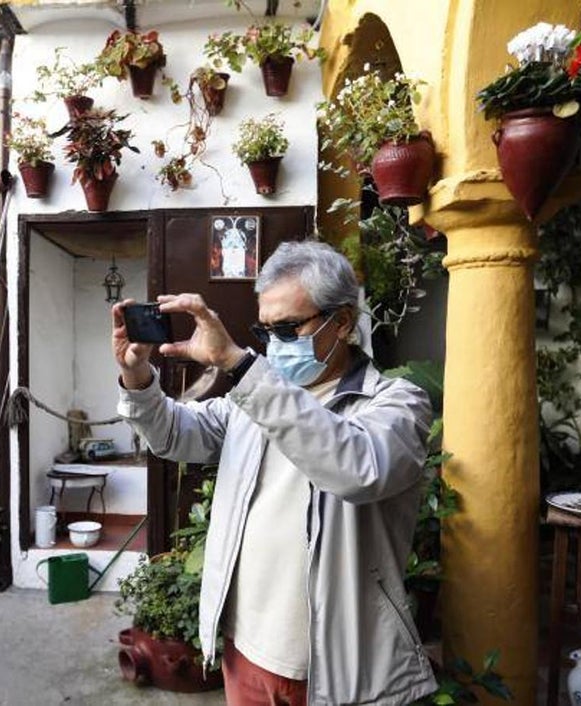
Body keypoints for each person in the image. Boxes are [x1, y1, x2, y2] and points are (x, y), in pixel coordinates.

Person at [112, 241, 437, 705]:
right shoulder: (253, 399)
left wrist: (240, 366)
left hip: (336, 672)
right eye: (264, 331)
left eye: (287, 328)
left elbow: (357, 470)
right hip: (244, 653)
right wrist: (138, 378)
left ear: (342, 322)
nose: (273, 345)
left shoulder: (396, 403)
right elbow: (173, 435)